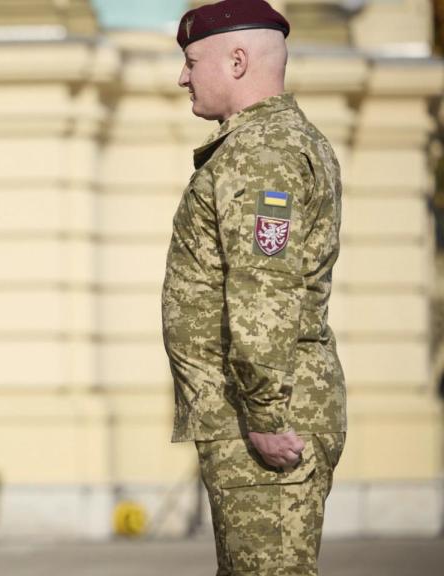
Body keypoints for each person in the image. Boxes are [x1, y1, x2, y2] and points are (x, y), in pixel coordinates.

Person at [162, 1, 348, 574]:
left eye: (193, 61)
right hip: (249, 413)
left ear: (237, 60)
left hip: (262, 418)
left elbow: (262, 289)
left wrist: (265, 416)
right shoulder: (261, 146)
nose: (183, 76)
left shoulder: (261, 154)